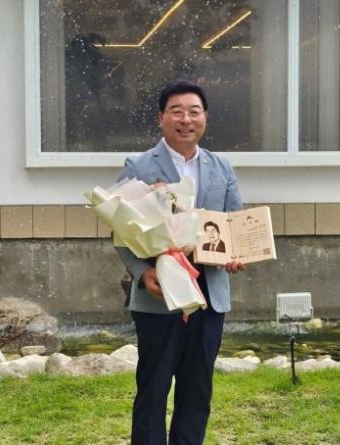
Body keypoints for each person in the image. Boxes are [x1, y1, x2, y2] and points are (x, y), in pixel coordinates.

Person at [115, 80, 245, 445]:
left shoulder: (222, 167)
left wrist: (236, 254)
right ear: (161, 118)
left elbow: (233, 224)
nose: (185, 119)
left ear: (205, 118)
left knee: (197, 389)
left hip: (209, 293)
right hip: (159, 292)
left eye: (193, 111)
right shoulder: (140, 166)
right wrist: (143, 272)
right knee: (153, 389)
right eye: (176, 111)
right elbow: (120, 230)